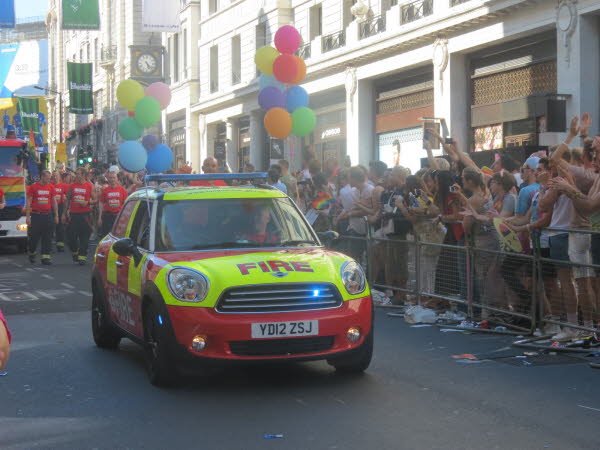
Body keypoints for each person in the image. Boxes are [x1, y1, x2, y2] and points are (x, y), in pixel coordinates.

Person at [64, 168, 96, 265]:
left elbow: (95, 200)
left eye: (78, 174)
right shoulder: (72, 186)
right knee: (71, 236)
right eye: (76, 174)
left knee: (84, 237)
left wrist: (88, 202)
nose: (76, 176)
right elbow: (68, 200)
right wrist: (64, 213)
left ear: (83, 175)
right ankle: (75, 252)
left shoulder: (90, 186)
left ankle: (82, 257)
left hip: (85, 215)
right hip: (74, 215)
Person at [26, 169, 58, 265]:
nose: (49, 180)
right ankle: (32, 252)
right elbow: (28, 202)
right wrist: (28, 216)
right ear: (42, 177)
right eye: (47, 178)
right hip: (36, 216)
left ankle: (45, 257)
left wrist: (56, 215)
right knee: (33, 237)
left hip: (48, 215)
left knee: (47, 237)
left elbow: (54, 201)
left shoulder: (51, 187)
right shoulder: (33, 187)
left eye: (49, 178)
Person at [98, 171, 129, 238]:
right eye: (110, 178)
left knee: (118, 236)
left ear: (117, 179)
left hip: (118, 216)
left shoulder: (122, 190)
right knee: (106, 235)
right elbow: (101, 203)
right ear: (108, 179)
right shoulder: (105, 190)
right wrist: (100, 217)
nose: (112, 179)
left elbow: (126, 204)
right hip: (107, 216)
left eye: (114, 178)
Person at [53, 172, 71, 252]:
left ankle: (60, 245)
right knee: (50, 227)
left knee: (60, 226)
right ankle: (48, 245)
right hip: (51, 208)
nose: (55, 178)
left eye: (56, 176)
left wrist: (67, 209)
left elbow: (68, 197)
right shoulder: (50, 185)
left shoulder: (64, 186)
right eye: (53, 176)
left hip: (60, 207)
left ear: (60, 177)